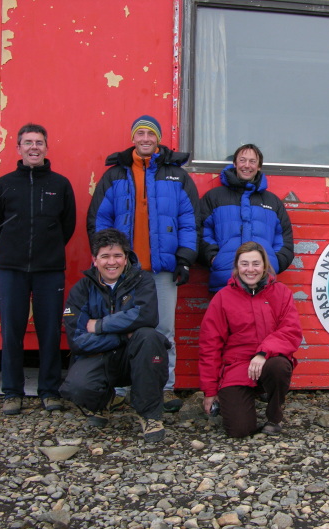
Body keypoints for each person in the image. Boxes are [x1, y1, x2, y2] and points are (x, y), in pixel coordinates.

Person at [86, 115, 198, 412]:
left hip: (163, 270)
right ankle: (121, 388)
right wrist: (104, 260)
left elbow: (189, 221)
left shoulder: (177, 176)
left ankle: (165, 387)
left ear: (158, 138)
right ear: (133, 138)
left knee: (164, 331)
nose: (146, 138)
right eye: (141, 133)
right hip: (124, 272)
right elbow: (100, 220)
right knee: (121, 328)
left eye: (151, 133)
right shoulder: (115, 175)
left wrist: (185, 259)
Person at [0, 123, 76, 416]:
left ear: (46, 148)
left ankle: (49, 391)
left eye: (39, 142)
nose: (34, 147)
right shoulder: (4, 185)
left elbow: (68, 226)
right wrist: (13, 250)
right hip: (11, 269)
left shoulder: (60, 185)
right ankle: (12, 392)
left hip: (49, 270)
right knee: (11, 332)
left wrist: (46, 251)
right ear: (18, 148)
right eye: (28, 142)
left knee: (50, 331)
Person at [60, 229, 169, 443]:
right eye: (105, 256)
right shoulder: (82, 289)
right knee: (77, 387)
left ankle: (150, 416)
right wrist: (121, 336)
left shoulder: (142, 280)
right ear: (94, 260)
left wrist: (100, 325)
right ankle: (102, 403)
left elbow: (147, 316)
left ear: (126, 257)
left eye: (118, 255)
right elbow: (77, 340)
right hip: (101, 357)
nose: (112, 262)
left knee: (149, 338)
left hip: (134, 356)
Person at [199, 241, 302, 437]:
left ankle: (274, 416)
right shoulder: (223, 298)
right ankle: (237, 400)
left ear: (264, 265)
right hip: (237, 367)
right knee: (239, 431)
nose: (250, 269)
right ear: (237, 266)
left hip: (268, 361)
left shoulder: (281, 293)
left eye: (256, 263)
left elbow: (291, 330)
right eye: (244, 264)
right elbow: (210, 346)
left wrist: (264, 352)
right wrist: (210, 391)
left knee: (279, 366)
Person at [199, 144, 294, 292]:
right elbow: (201, 232)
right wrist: (214, 259)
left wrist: (273, 263)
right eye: (242, 160)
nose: (247, 166)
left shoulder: (272, 202)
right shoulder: (214, 197)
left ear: (259, 166)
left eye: (252, 161)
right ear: (235, 164)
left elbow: (284, 239)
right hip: (225, 280)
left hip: (263, 283)